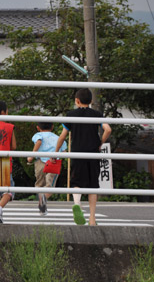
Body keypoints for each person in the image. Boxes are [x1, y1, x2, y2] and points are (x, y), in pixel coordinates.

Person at [54, 89, 111, 226]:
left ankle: (77, 204)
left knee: (77, 181)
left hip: (77, 151)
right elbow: (108, 129)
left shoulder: (71, 115)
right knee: (93, 185)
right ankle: (92, 218)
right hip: (93, 152)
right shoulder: (96, 114)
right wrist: (100, 143)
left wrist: (56, 152)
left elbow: (62, 136)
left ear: (77, 101)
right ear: (91, 101)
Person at [27, 122, 67, 215]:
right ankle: (43, 201)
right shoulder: (58, 138)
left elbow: (39, 141)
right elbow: (64, 152)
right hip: (53, 163)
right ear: (52, 127)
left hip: (40, 162)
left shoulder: (38, 135)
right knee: (50, 186)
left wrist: (31, 156)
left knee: (39, 185)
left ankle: (42, 207)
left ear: (38, 127)